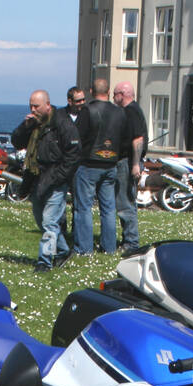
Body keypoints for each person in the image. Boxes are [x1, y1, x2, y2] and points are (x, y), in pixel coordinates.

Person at [10, 89, 81, 270]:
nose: (33, 109)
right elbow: (16, 142)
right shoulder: (33, 124)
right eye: (31, 106)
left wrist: (59, 177)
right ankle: (64, 251)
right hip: (36, 178)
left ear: (47, 105)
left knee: (50, 221)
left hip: (55, 179)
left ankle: (44, 261)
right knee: (42, 221)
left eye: (37, 106)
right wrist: (24, 127)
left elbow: (73, 154)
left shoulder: (62, 124)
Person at [73, 77, 128, 255]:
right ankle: (109, 247)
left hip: (89, 163)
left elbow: (77, 137)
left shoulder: (87, 110)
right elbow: (124, 138)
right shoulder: (120, 112)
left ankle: (85, 248)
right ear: (108, 91)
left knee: (84, 207)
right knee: (108, 208)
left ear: (91, 91)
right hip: (111, 163)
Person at [112, 81, 147, 255]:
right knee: (124, 201)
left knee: (125, 202)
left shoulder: (130, 111)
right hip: (128, 161)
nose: (113, 98)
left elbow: (138, 139)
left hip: (127, 161)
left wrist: (134, 164)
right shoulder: (133, 110)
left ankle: (131, 242)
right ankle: (128, 239)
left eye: (114, 94)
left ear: (122, 94)